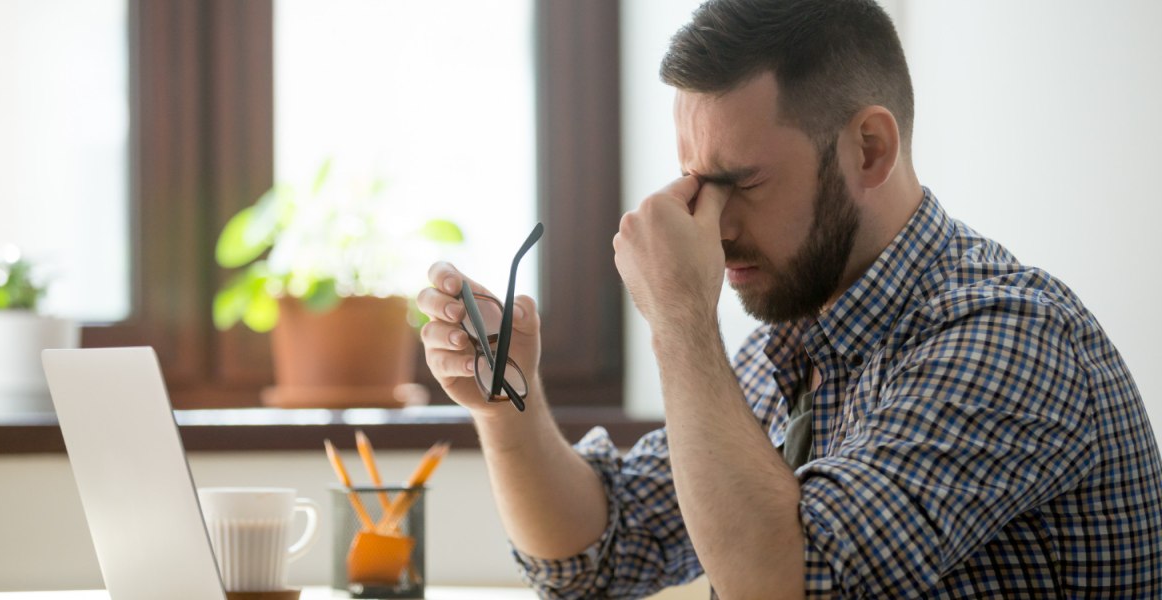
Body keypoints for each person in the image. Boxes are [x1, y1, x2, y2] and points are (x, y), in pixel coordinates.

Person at [416, 0, 1162, 597]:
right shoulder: (795, 338)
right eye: (697, 184)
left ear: (869, 149)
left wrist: (680, 316)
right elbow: (599, 553)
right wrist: (501, 404)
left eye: (740, 183)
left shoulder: (1006, 338)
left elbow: (791, 582)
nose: (712, 225)